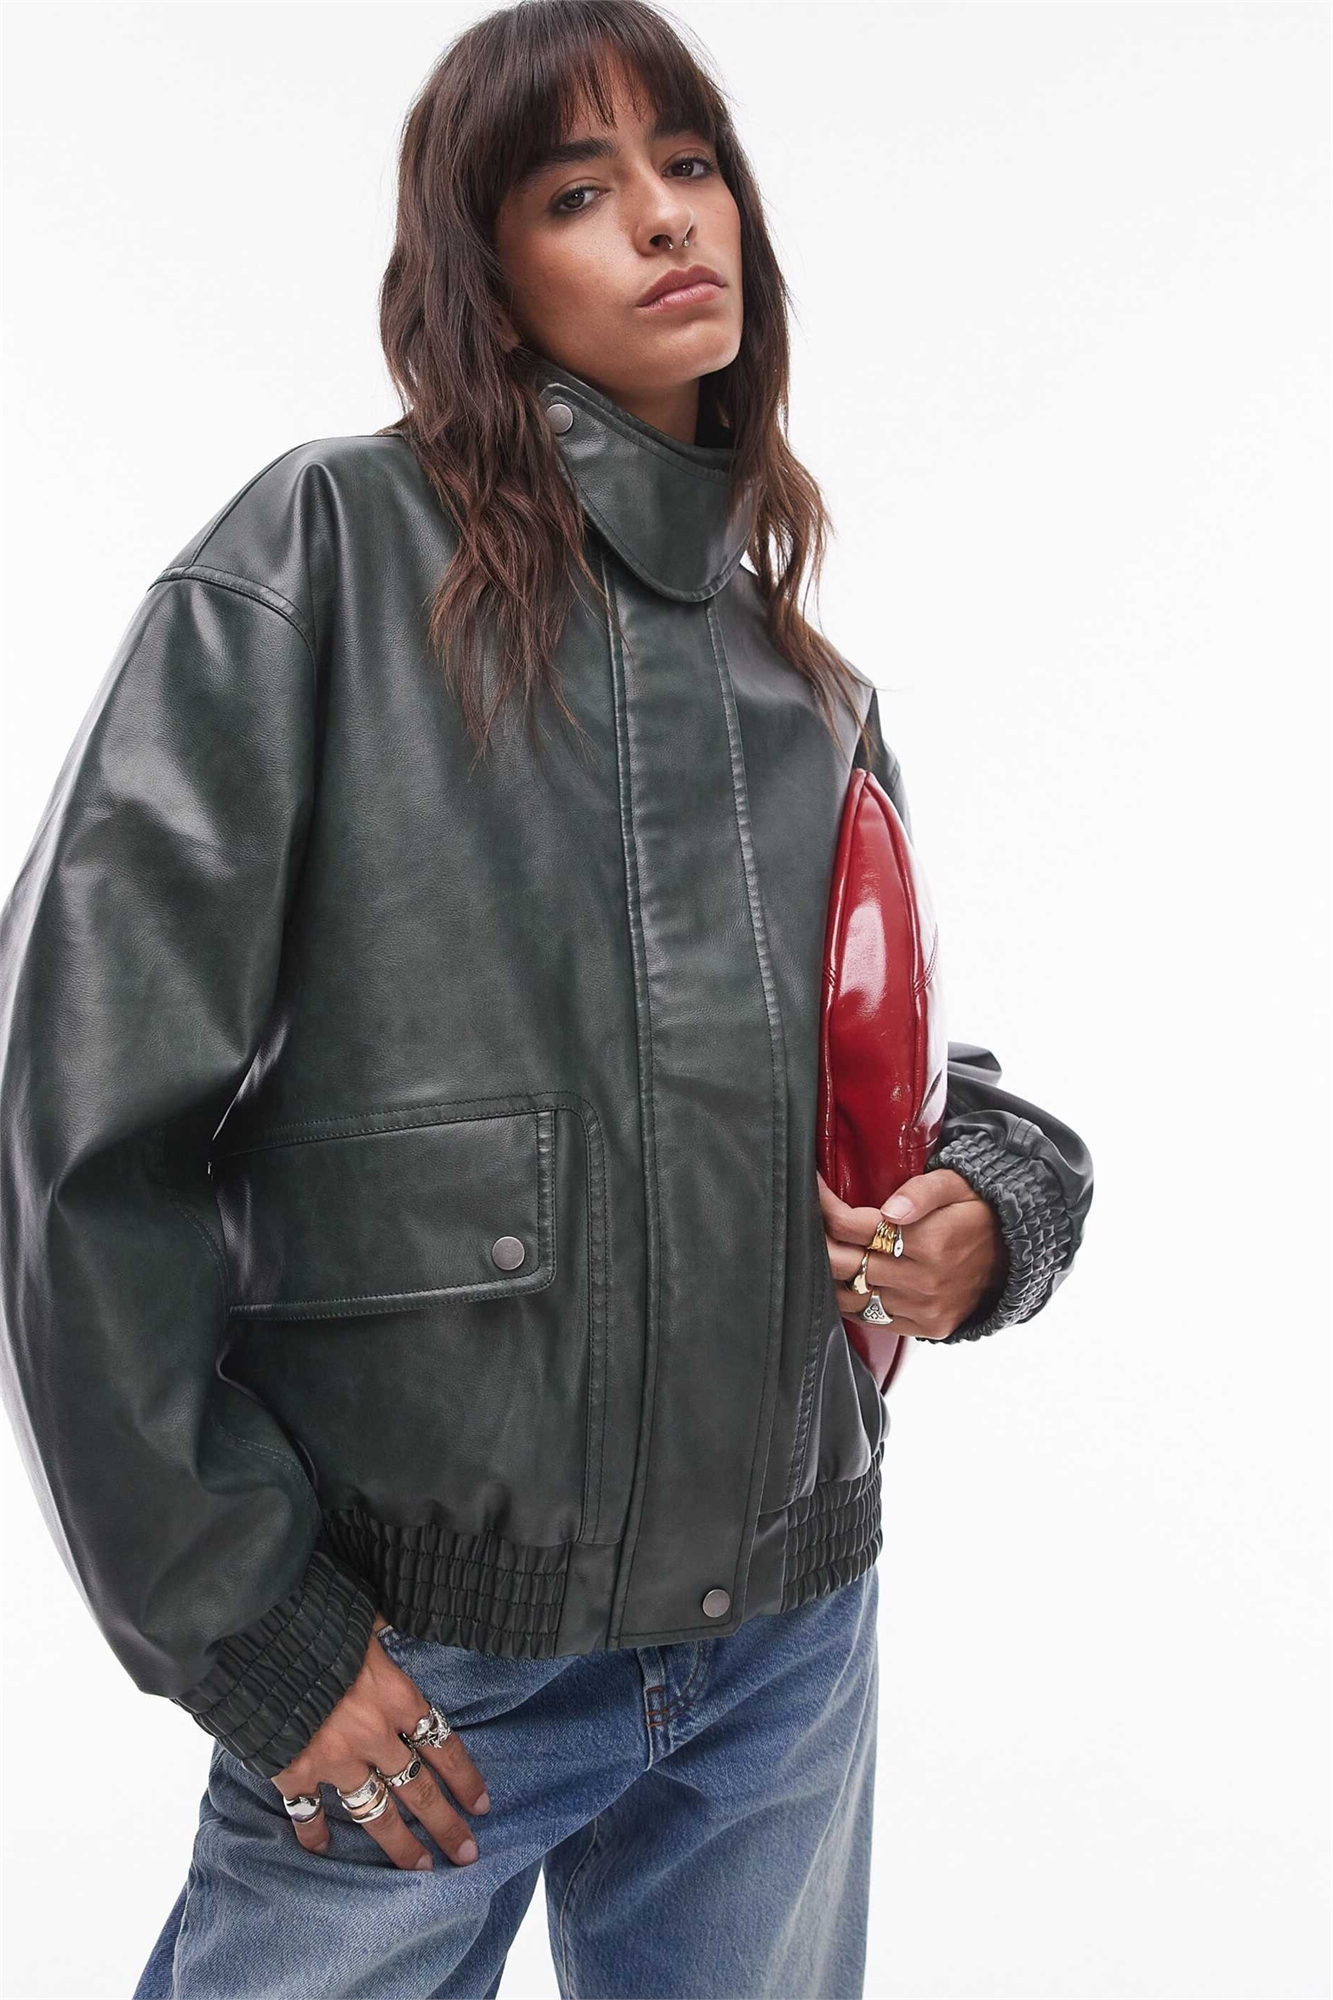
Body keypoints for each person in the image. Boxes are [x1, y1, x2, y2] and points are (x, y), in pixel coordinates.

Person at [0, 3, 1094, 1994]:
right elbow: (83, 1119)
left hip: (783, 1656)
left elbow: (878, 1079)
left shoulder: (807, 694)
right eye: (578, 193)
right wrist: (251, 1627)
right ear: (483, 280)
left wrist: (993, 1202)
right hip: (426, 1674)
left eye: (690, 165)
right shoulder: (323, 558)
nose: (668, 219)